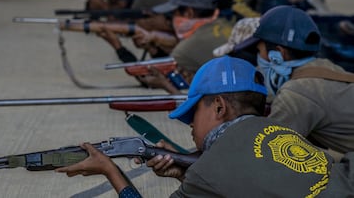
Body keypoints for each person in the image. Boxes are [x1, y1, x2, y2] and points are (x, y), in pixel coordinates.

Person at [55, 56, 354, 196]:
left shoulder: (206, 173)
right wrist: (187, 174)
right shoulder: (284, 130)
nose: (191, 129)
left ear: (220, 107)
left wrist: (111, 170)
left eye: (193, 114)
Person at [237, 5, 354, 158]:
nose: (258, 60)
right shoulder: (325, 67)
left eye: (260, 51)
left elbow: (267, 153)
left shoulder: (295, 94)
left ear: (278, 54)